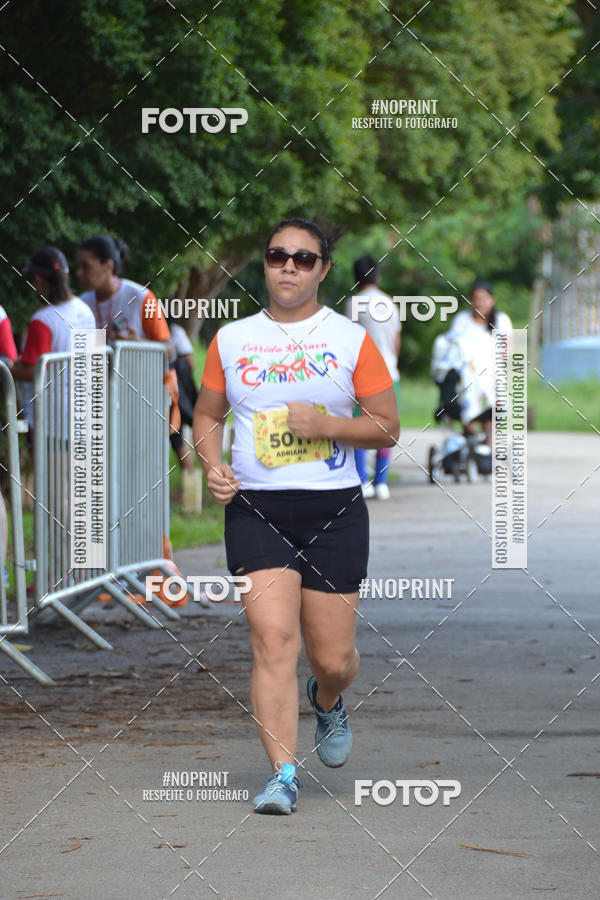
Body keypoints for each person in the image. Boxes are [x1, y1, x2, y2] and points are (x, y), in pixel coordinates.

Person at [193, 217, 400, 815]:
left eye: (304, 258)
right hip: (256, 507)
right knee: (273, 640)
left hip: (333, 508)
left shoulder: (349, 339)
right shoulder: (231, 340)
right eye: (277, 255)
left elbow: (387, 424)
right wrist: (212, 465)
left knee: (332, 658)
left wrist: (328, 425)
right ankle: (283, 773)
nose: (288, 265)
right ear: (264, 263)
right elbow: (206, 413)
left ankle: (327, 699)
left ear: (324, 270)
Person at [344, 256, 401, 500]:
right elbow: (396, 340)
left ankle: (361, 478)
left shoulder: (353, 303)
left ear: (356, 279)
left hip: (362, 374)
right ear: (377, 276)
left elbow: (348, 340)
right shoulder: (390, 303)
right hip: (389, 371)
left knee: (359, 426)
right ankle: (382, 481)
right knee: (385, 427)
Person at [448, 280, 512, 442]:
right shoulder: (462, 321)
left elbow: (507, 351)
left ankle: (488, 447)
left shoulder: (501, 321)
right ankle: (470, 442)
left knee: (490, 414)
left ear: (492, 300)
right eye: (476, 299)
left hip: (491, 375)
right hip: (467, 374)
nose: (480, 303)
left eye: (484, 299)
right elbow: (453, 348)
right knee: (468, 407)